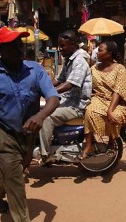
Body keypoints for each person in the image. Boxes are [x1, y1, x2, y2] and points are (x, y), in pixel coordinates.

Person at [0, 26, 59, 222]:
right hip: (4, 134)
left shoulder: (35, 70)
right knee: (16, 180)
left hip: (28, 135)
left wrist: (40, 116)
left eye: (20, 45)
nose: (19, 49)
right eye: (13, 46)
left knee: (16, 173)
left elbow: (53, 98)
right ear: (0, 51)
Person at [79, 41, 126, 159]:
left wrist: (110, 110)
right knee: (90, 111)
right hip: (98, 98)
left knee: (115, 116)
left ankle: (112, 141)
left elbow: (118, 91)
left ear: (109, 54)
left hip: (116, 102)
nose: (97, 53)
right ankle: (89, 145)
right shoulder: (94, 68)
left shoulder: (120, 69)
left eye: (100, 50)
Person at [39, 30, 92, 160]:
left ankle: (45, 154)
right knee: (38, 109)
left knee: (46, 117)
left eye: (63, 46)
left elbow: (70, 84)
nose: (60, 49)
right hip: (67, 99)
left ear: (73, 45)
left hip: (77, 104)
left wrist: (49, 92)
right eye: (59, 45)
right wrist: (40, 87)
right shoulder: (69, 59)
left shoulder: (80, 61)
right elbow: (59, 80)